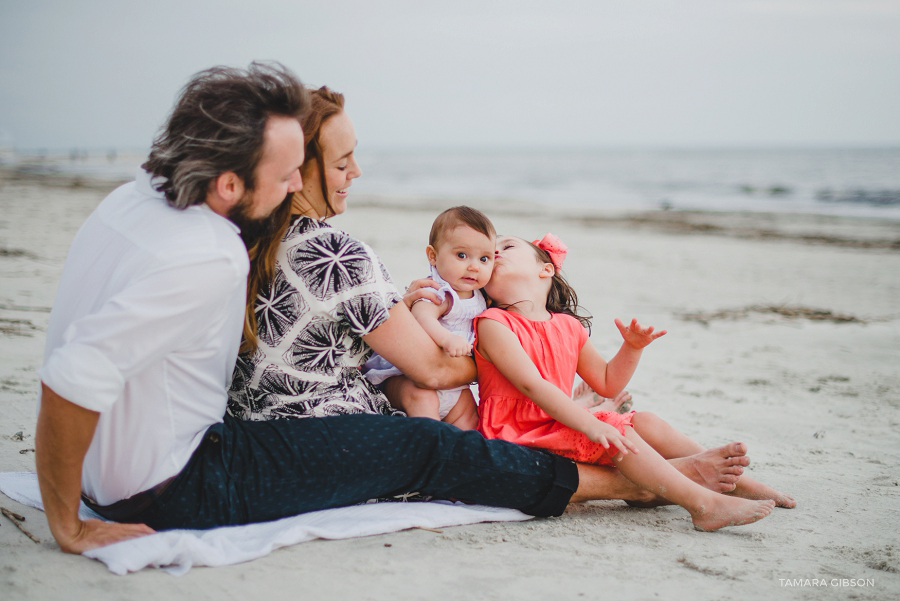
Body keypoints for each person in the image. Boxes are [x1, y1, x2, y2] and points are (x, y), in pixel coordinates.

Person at [33, 65, 757, 556]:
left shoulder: (140, 201)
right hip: (178, 481)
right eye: (294, 172)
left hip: (147, 456)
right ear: (229, 179)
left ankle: (649, 470)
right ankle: (634, 478)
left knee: (433, 418)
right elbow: (76, 371)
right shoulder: (229, 253)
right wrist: (69, 525)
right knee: (429, 443)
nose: (299, 186)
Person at [474, 233, 797, 530]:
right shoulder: (493, 323)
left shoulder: (567, 327)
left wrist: (631, 348)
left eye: (506, 247)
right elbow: (532, 385)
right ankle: (703, 504)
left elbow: (607, 383)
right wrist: (591, 424)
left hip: (553, 423)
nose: (495, 253)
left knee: (647, 422)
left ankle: (737, 481)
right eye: (490, 254)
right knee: (616, 431)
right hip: (516, 432)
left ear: (545, 270)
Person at [363, 206, 495, 430]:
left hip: (455, 386)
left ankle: (462, 454)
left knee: (470, 418)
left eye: (484, 259)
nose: (474, 266)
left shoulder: (482, 297)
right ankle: (431, 445)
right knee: (423, 401)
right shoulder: (439, 291)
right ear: (433, 256)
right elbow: (422, 317)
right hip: (409, 378)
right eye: (461, 255)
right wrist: (446, 339)